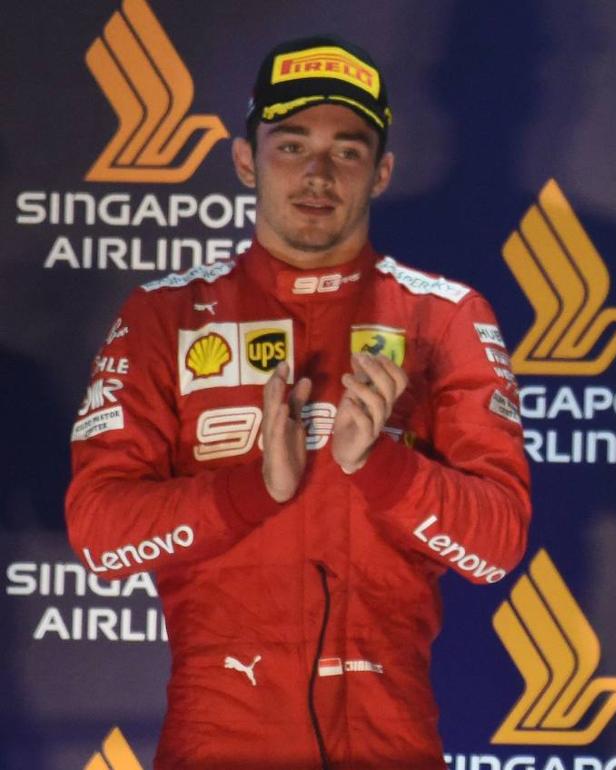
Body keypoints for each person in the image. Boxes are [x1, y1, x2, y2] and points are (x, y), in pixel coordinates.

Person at [65, 35, 530, 769]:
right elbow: (98, 534)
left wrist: (380, 468)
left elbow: (497, 544)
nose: (318, 174)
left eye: (347, 151)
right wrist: (251, 491)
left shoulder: (445, 316)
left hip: (390, 736)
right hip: (217, 737)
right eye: (291, 146)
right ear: (246, 159)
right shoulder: (167, 314)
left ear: (381, 173)